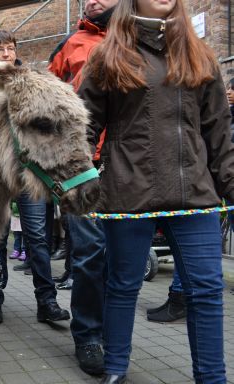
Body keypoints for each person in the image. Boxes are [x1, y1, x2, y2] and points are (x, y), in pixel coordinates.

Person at [78, 0, 232, 381]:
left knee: (208, 291)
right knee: (122, 285)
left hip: (194, 193)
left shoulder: (200, 55)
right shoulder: (107, 56)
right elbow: (83, 127)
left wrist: (231, 184)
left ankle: (211, 377)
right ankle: (115, 368)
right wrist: (82, 185)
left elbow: (219, 130)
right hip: (130, 190)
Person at [47, 0, 119, 375]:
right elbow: (47, 98)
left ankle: (117, 336)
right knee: (89, 253)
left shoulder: (138, 40)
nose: (93, 0)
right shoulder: (69, 45)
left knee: (121, 256)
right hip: (80, 167)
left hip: (127, 166)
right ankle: (88, 337)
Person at [0, 29, 70, 324]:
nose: (6, 54)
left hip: (29, 173)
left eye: (10, 48)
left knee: (37, 238)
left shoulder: (33, 80)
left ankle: (47, 302)